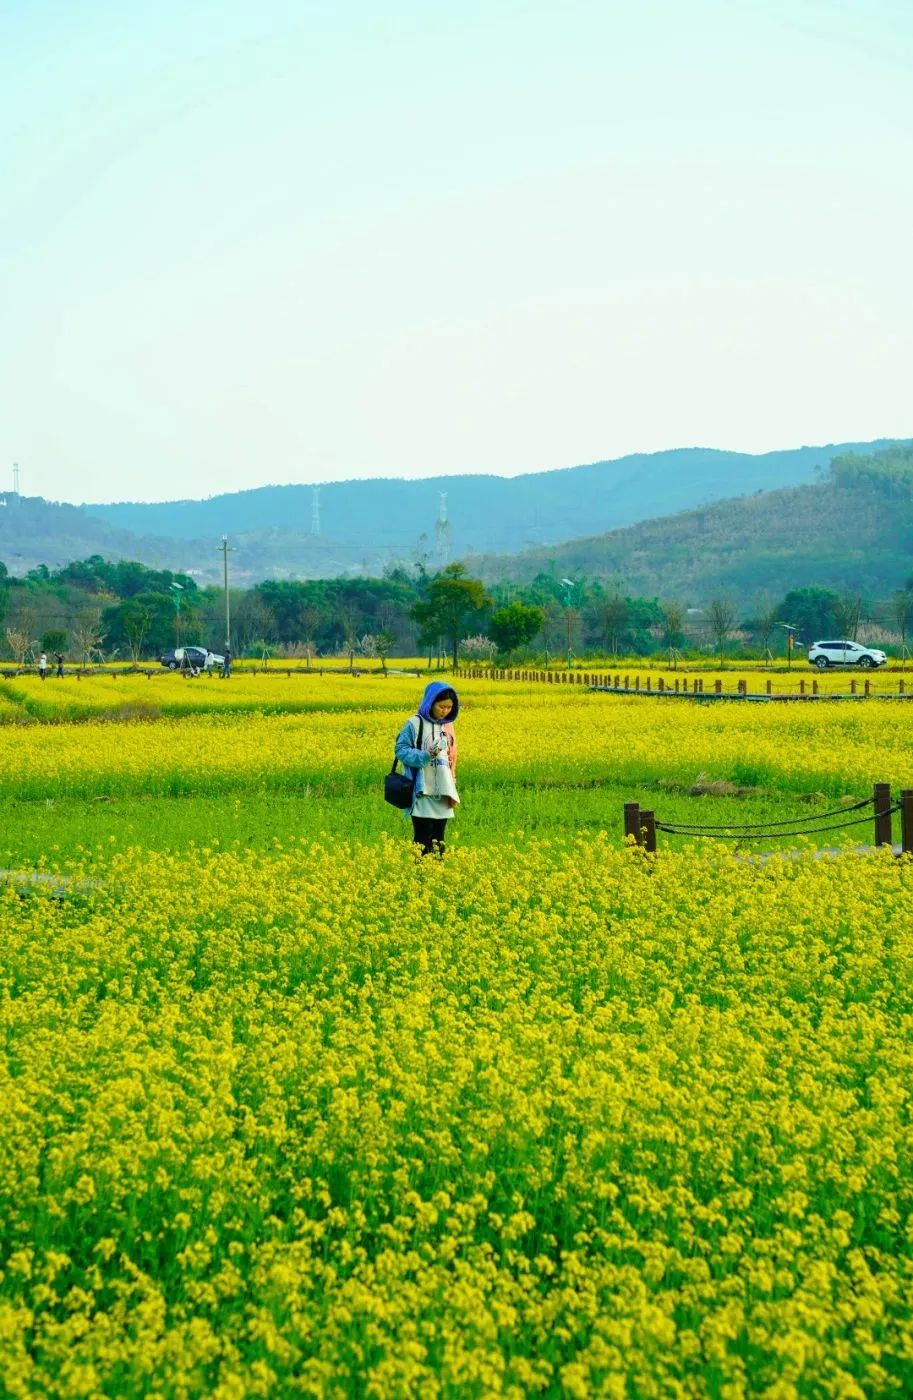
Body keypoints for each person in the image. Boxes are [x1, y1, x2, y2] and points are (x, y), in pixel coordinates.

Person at [395, 682, 460, 855]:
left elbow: (452, 755)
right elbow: (400, 750)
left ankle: (436, 873)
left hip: (443, 790)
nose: (445, 711)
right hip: (422, 790)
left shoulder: (447, 726)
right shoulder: (414, 723)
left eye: (449, 707)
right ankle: (420, 872)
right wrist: (424, 756)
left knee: (439, 838)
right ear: (430, 702)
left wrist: (453, 779)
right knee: (423, 837)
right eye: (441, 706)